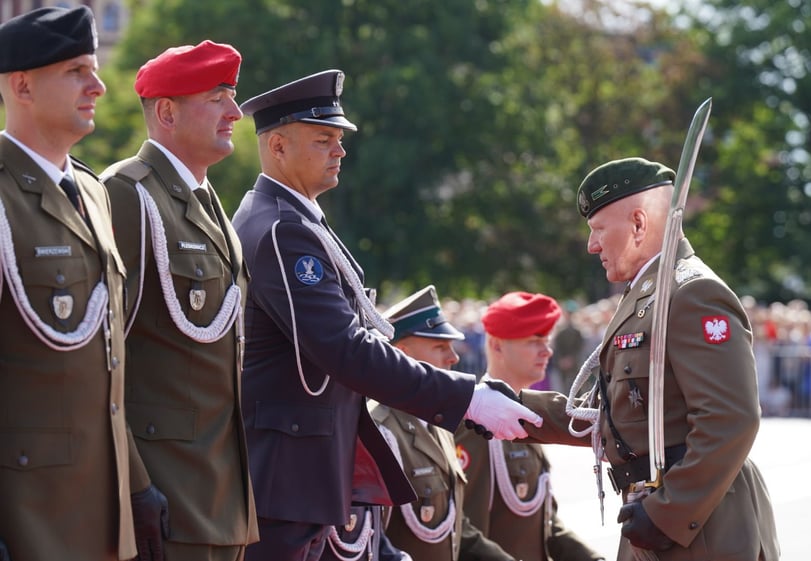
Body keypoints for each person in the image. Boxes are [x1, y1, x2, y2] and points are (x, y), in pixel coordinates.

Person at [231, 69, 541, 561]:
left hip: (301, 474)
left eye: (339, 139)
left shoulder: (293, 219)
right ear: (278, 146)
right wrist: (465, 397)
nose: (340, 150)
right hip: (285, 479)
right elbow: (344, 349)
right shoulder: (280, 229)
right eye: (323, 139)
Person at [519, 157, 780, 560]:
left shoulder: (692, 293)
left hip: (701, 531)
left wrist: (667, 514)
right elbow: (612, 417)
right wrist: (512, 406)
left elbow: (730, 418)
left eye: (598, 229)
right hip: (660, 516)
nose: (591, 245)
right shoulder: (648, 295)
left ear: (639, 224)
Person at [100, 41, 258, 560]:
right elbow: (103, 359)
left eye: (231, 97)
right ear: (167, 113)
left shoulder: (208, 205)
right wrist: (134, 485)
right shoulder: (127, 194)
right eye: (217, 98)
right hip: (165, 494)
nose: (235, 113)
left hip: (220, 498)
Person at [0, 6, 138, 560]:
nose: (98, 86)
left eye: (94, 70)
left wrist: (137, 485)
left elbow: (107, 367)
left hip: (102, 517)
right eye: (76, 71)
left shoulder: (93, 193)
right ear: (22, 86)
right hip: (30, 518)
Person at [370, 285, 518, 561]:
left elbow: (454, 528)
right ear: (402, 355)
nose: (454, 357)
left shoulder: (438, 420)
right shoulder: (379, 429)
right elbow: (371, 539)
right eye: (440, 347)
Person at [454, 292, 604, 561]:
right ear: (497, 346)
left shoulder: (528, 412)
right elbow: (461, 528)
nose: (547, 351)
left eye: (546, 341)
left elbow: (545, 522)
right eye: (534, 342)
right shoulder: (475, 423)